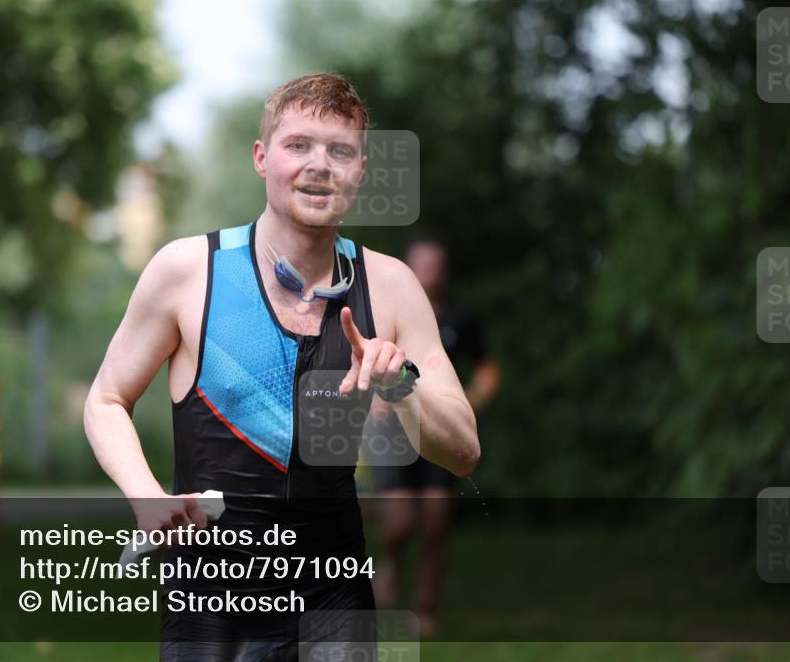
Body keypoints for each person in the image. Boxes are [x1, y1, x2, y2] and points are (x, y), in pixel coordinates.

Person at [84, 73, 480, 661]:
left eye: (340, 150)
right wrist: (146, 496)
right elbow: (106, 399)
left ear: (360, 170)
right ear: (261, 157)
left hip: (334, 602)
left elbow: (464, 451)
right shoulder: (189, 272)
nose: (319, 165)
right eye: (299, 145)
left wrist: (401, 387)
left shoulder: (391, 286)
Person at [371, 233, 500, 637]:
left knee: (437, 519)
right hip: (393, 432)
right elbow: (363, 358)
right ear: (408, 267)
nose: (430, 271)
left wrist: (474, 399)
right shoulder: (387, 312)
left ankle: (425, 608)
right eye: (422, 263)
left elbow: (487, 367)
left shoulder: (461, 318)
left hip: (437, 429)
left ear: (445, 270)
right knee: (399, 521)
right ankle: (391, 562)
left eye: (436, 264)